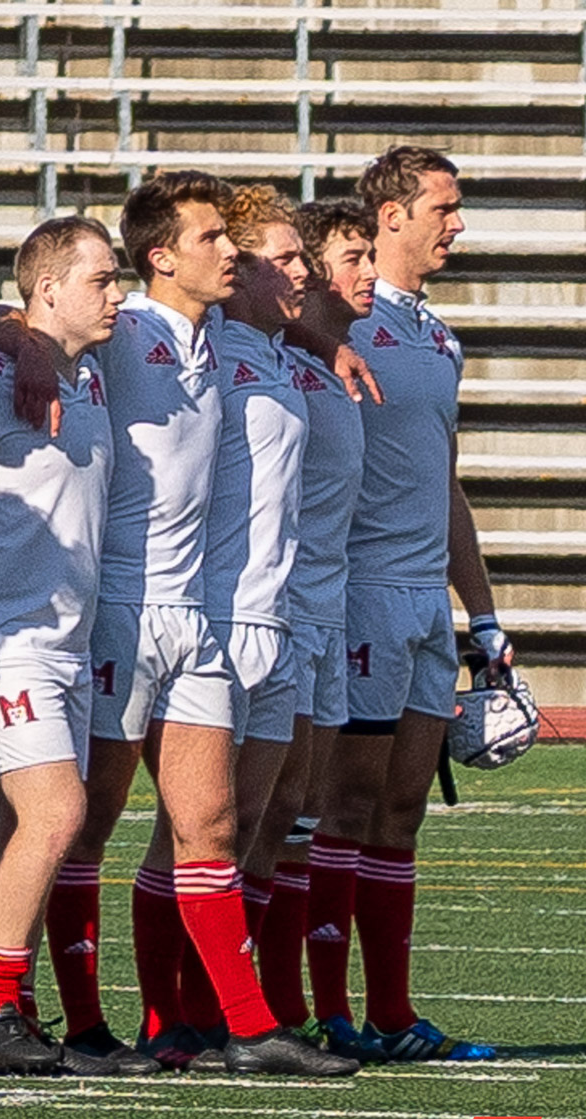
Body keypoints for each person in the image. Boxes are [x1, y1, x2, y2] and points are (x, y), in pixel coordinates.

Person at [0, 173, 352, 1076]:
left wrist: (319, 336)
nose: (231, 251)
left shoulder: (221, 335)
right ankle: (79, 1025)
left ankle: (247, 1027)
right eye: (213, 239)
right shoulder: (127, 328)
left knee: (213, 819)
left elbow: (284, 322)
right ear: (163, 257)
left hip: (198, 617)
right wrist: (23, 343)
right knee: (89, 820)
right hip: (120, 610)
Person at [317, 147, 506, 1062]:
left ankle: (391, 1015)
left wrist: (486, 614)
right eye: (445, 206)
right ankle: (327, 1014)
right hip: (356, 598)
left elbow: (447, 483)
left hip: (425, 604)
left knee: (400, 815)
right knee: (340, 810)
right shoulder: (337, 326)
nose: (456, 224)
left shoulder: (436, 335)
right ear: (390, 214)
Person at [0, 218, 141, 1076]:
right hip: (1, 634)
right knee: (60, 814)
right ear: (49, 288)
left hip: (65, 634)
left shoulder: (87, 376)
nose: (118, 294)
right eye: (101, 279)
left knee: (24, 826)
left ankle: (10, 1010)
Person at [248, 200, 374, 1054]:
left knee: (302, 809)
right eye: (345, 255)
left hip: (326, 606)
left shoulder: (321, 360)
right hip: (276, 607)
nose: (343, 271)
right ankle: (208, 1004)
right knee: (252, 814)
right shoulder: (268, 349)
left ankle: (283, 1006)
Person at [202, 186, 311, 1027]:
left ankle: (235, 1012)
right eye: (284, 257)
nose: (301, 270)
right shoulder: (203, 346)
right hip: (220, 615)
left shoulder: (283, 355)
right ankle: (180, 1019)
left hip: (278, 613)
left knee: (265, 824)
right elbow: (14, 313)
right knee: (207, 830)